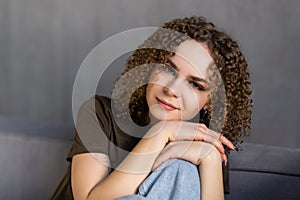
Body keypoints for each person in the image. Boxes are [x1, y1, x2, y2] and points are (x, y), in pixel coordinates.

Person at [51, 16, 252, 200]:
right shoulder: (99, 112)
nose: (172, 90)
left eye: (195, 85)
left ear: (210, 102)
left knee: (183, 169)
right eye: (167, 69)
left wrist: (210, 159)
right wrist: (160, 133)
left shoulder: (204, 140)